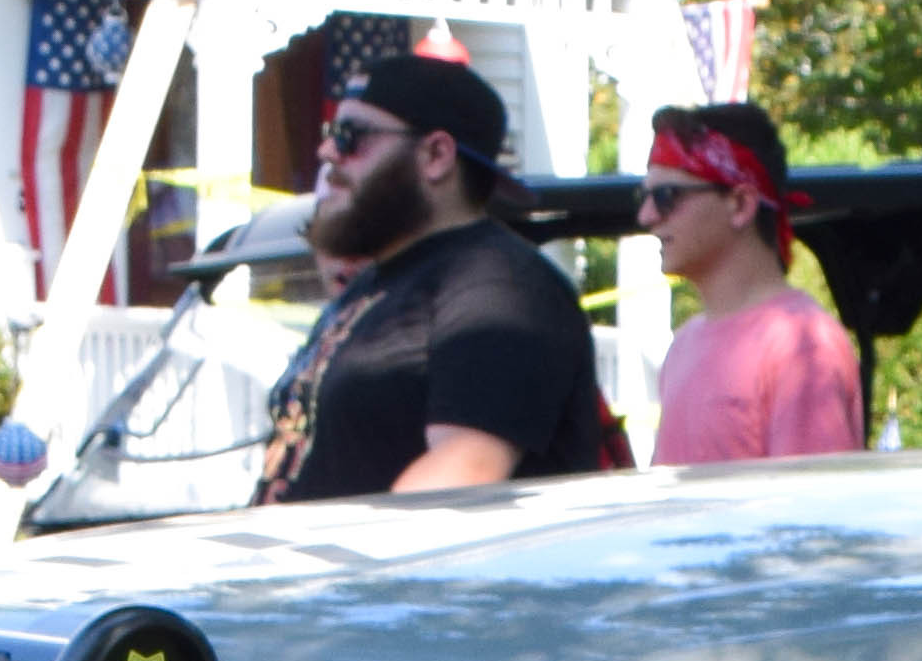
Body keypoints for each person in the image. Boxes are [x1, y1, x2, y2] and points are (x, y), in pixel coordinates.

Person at [249, 56, 609, 504]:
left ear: (436, 155)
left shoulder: (500, 287)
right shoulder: (377, 284)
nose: (327, 153)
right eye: (330, 134)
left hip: (381, 572)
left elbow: (461, 473)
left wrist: (340, 566)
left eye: (351, 137)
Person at [637, 103, 864, 463]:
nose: (646, 216)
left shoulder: (802, 347)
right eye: (644, 197)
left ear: (741, 203)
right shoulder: (684, 344)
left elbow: (813, 513)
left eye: (666, 197)